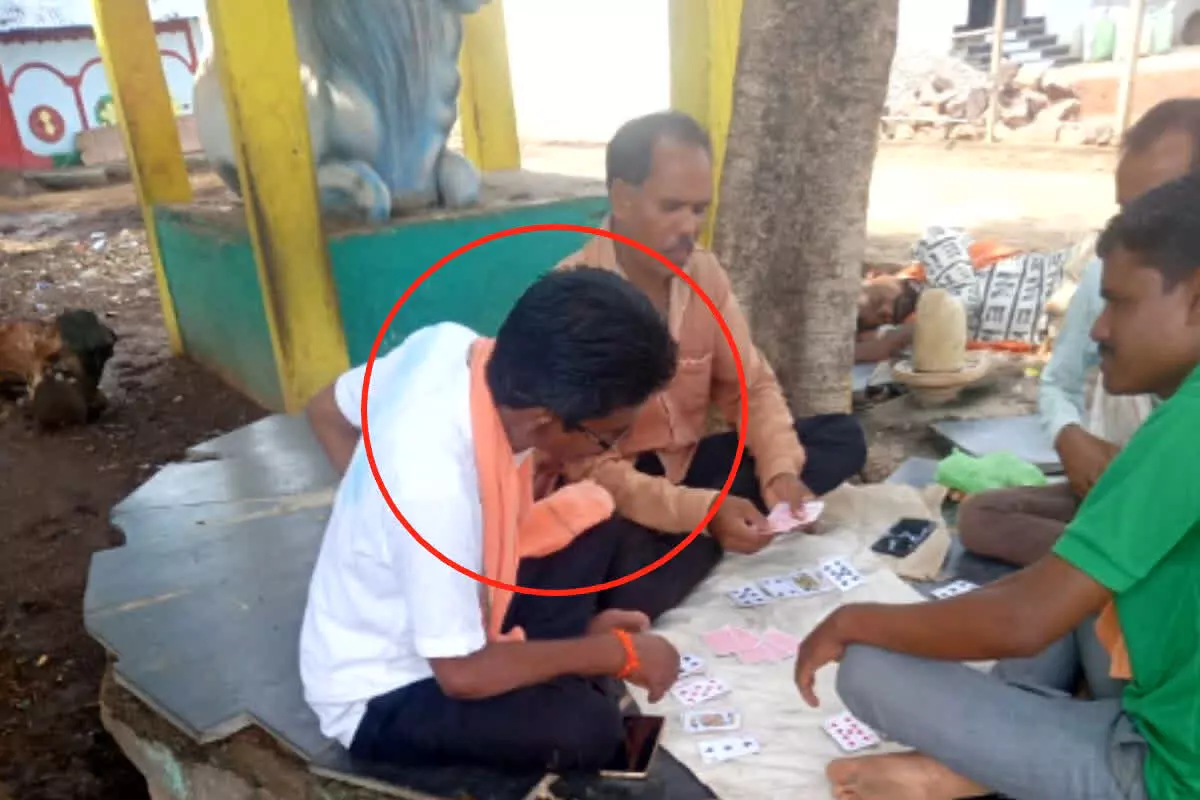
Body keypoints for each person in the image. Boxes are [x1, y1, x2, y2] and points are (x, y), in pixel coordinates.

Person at [795, 173, 1200, 800]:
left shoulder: (1186, 428)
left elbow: (1024, 621)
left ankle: (970, 767)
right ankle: (1005, 743)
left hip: (1166, 771)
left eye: (1119, 303)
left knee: (867, 666)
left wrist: (853, 619)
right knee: (1067, 577)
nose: (1099, 329)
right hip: (1154, 685)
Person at [298, 267, 685, 773]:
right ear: (546, 419)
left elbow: (325, 410)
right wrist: (613, 654)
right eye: (607, 437)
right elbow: (462, 675)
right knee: (589, 730)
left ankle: (554, 655)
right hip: (390, 689)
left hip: (476, 597)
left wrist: (374, 515)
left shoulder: (449, 347)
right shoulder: (431, 486)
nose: (612, 449)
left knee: (596, 520)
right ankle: (561, 663)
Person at [554, 111, 868, 620]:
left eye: (699, 209)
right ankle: (710, 531)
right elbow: (583, 465)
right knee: (622, 578)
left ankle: (718, 526)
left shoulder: (704, 272)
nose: (689, 227)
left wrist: (779, 475)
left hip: (691, 466)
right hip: (621, 484)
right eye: (671, 207)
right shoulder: (573, 297)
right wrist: (701, 511)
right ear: (622, 198)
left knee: (841, 436)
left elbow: (750, 387)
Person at [958, 98, 1200, 566]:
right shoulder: (1109, 274)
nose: (1100, 328)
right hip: (1123, 483)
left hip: (1162, 506)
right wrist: (1071, 435)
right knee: (982, 516)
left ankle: (1108, 566)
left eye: (1152, 207)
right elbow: (1058, 381)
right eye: (1124, 210)